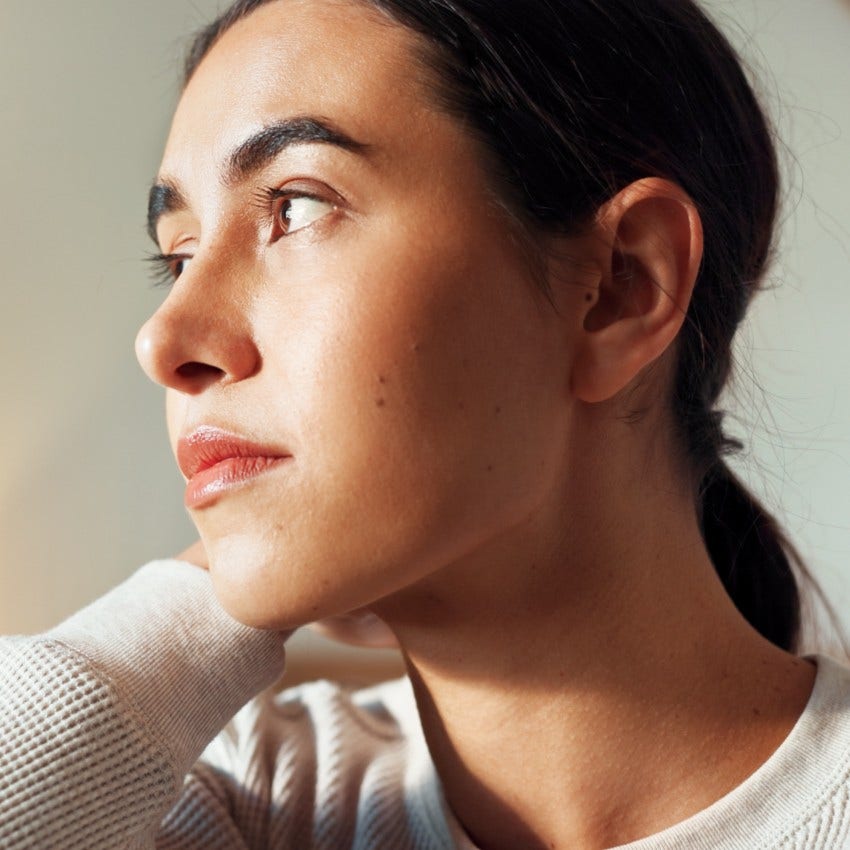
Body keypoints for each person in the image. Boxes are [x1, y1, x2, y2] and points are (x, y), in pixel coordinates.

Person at [2, 0, 850, 847]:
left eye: (296, 207)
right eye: (180, 257)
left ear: (620, 287)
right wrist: (193, 611)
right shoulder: (246, 806)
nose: (163, 342)